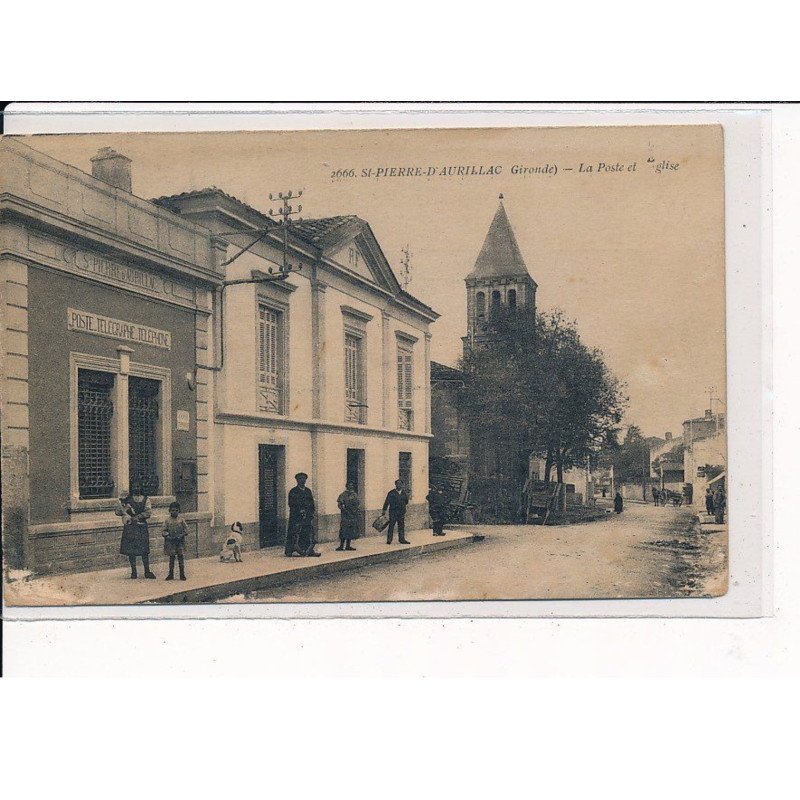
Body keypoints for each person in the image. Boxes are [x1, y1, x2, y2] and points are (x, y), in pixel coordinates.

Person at [116, 483, 156, 579]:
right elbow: (118, 512)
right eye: (134, 486)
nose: (136, 488)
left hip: (141, 527)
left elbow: (148, 512)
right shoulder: (127, 500)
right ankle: (134, 572)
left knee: (144, 550)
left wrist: (137, 517)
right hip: (130, 527)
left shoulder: (146, 499)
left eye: (138, 486)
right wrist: (122, 506)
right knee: (131, 550)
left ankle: (147, 571)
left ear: (141, 487)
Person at [285, 472, 320, 557]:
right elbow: (291, 503)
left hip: (307, 516)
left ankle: (309, 550)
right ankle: (289, 551)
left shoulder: (308, 491)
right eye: (300, 478)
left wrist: (311, 513)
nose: (302, 480)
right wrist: (299, 511)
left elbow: (311, 503)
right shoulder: (293, 491)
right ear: (297, 480)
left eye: (304, 478)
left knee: (307, 533)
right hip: (296, 517)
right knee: (293, 533)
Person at [162, 501, 189, 581]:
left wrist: (181, 535)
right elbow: (163, 531)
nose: (174, 512)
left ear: (179, 511)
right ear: (169, 511)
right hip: (171, 542)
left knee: (180, 557)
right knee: (172, 558)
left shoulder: (181, 520)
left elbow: (186, 529)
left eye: (176, 510)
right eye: (172, 510)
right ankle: (170, 574)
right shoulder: (167, 521)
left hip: (180, 542)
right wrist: (168, 536)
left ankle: (182, 574)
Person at [383, 479, 410, 544]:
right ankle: (389, 540)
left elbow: (406, 502)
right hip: (393, 512)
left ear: (402, 485)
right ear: (395, 485)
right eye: (397, 484)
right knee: (391, 525)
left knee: (401, 526)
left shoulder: (404, 493)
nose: (399, 485)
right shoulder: (391, 493)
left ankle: (402, 539)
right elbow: (387, 502)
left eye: (400, 484)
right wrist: (384, 510)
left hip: (401, 512)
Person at [336, 482, 360, 552]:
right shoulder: (343, 495)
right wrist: (344, 510)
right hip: (345, 516)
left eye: (352, 485)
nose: (351, 487)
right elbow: (339, 504)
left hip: (353, 515)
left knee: (351, 530)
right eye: (349, 485)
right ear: (347, 486)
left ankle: (348, 546)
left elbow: (358, 503)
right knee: (343, 530)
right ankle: (341, 546)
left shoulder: (354, 495)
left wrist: (355, 511)